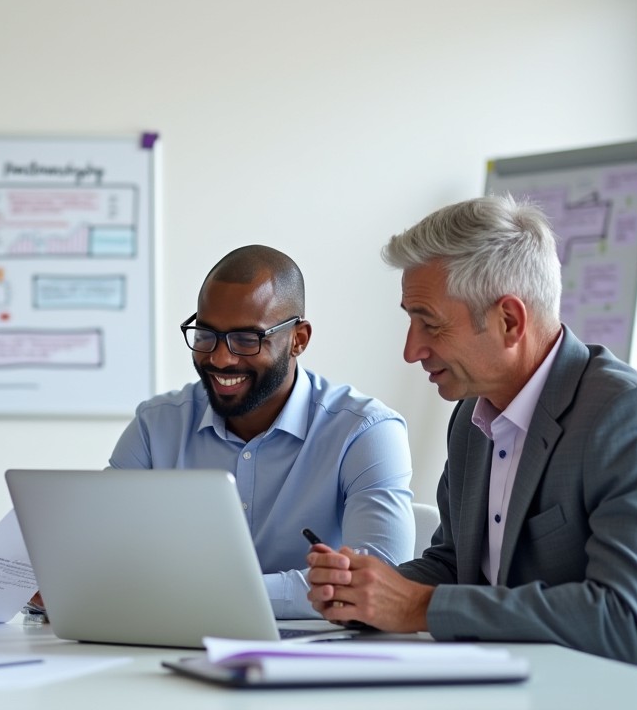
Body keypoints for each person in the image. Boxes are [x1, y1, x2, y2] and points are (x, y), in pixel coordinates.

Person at [306, 195, 637, 686]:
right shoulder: (471, 416)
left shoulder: (628, 417)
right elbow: (458, 566)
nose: (412, 350)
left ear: (510, 321)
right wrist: (367, 592)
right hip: (535, 686)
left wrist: (417, 606)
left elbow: (627, 623)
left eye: (429, 323)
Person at [110, 244, 414, 618]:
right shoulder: (155, 425)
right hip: (169, 637)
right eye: (206, 334)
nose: (221, 358)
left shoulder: (365, 432)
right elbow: (98, 550)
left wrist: (201, 595)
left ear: (298, 339)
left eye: (246, 339)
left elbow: (378, 580)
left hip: (315, 648)